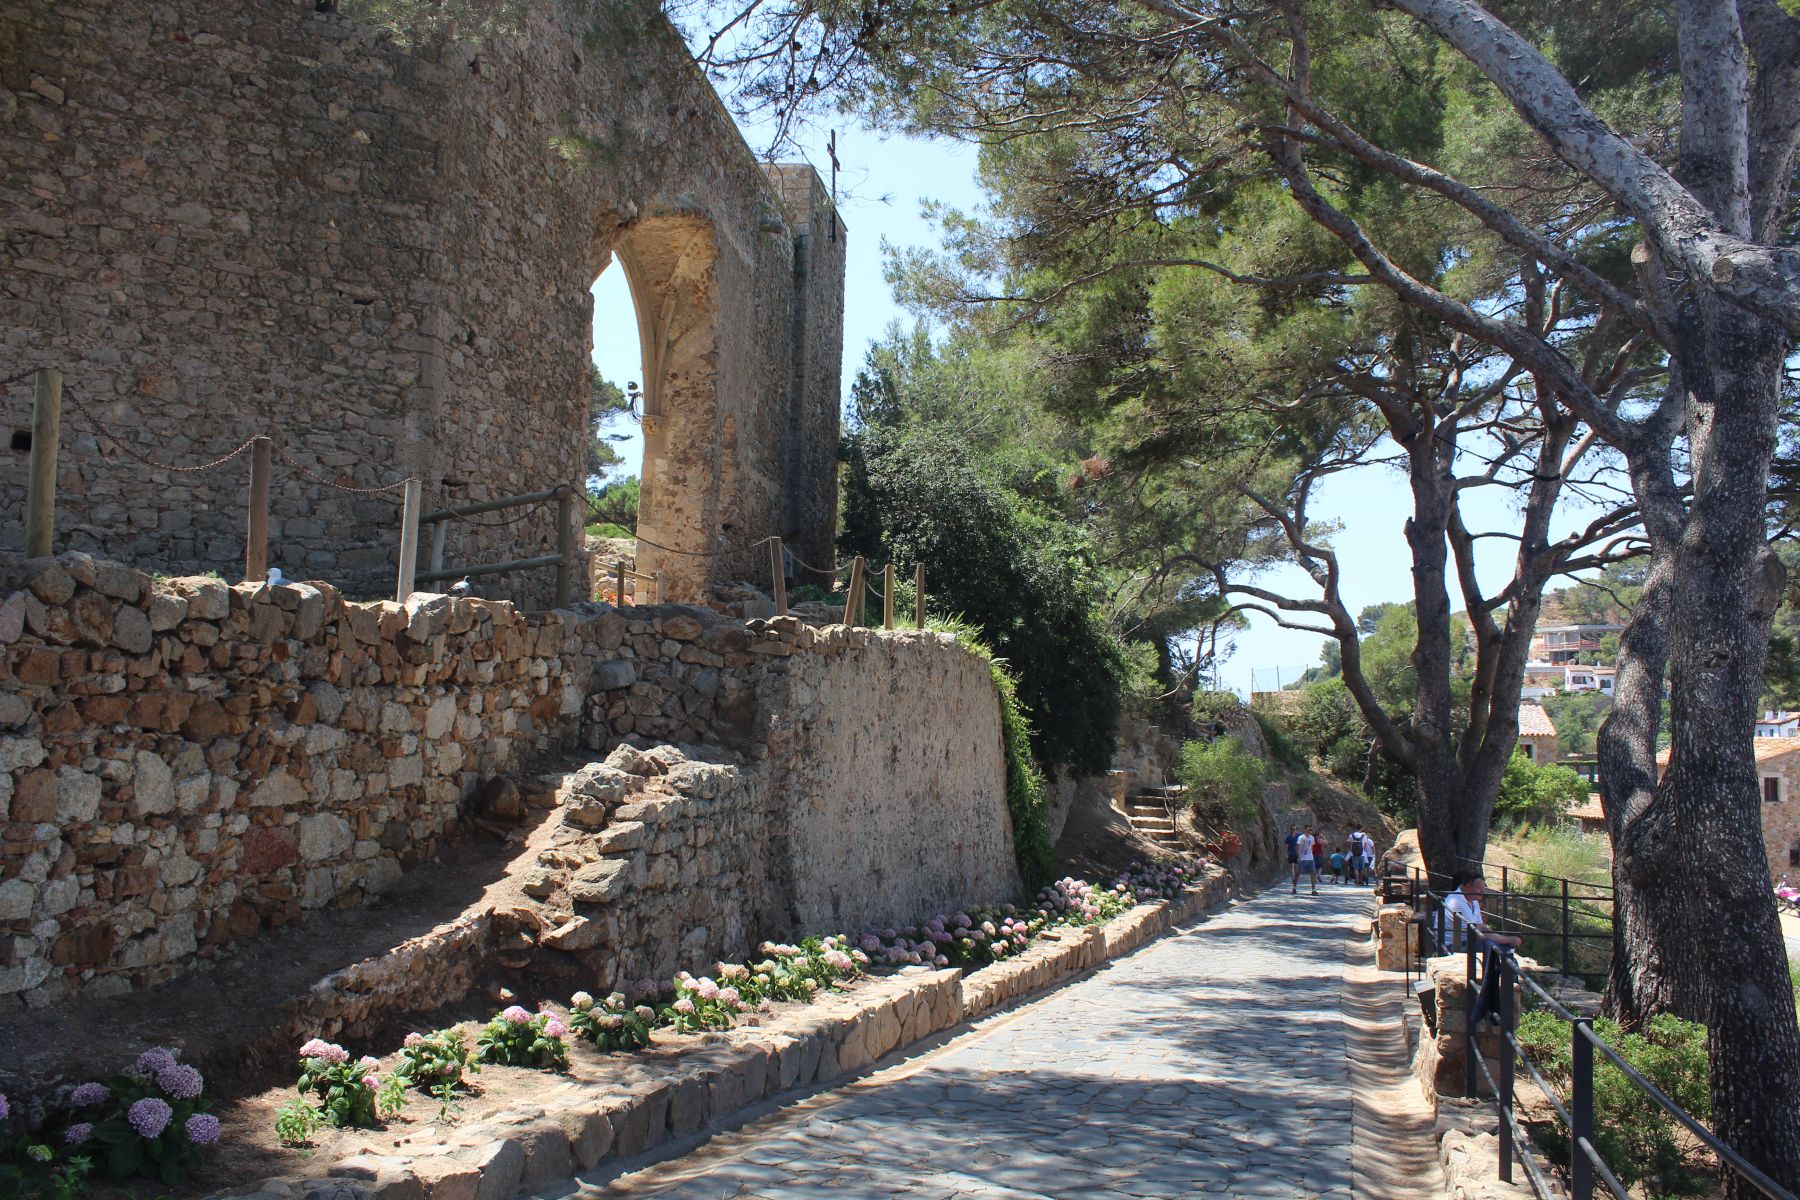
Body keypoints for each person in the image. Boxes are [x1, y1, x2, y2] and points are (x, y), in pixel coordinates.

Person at [1439, 870, 1522, 953]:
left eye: (1483, 889)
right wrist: (1509, 940)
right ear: (1468, 886)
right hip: (1453, 945)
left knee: (1501, 946)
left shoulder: (1473, 900)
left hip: (1466, 940)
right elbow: (1478, 935)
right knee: (1496, 948)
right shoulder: (1457, 902)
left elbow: (1481, 927)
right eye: (1479, 889)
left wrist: (1503, 939)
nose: (1483, 892)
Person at [1294, 826, 1320, 895]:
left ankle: (1313, 889)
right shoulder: (1301, 837)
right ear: (1305, 829)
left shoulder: (1312, 837)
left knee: (1313, 873)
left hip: (1310, 858)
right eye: (1309, 829)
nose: (1310, 831)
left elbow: (1312, 847)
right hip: (1302, 858)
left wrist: (1311, 855)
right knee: (1298, 873)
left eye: (1311, 830)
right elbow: (1298, 848)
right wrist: (1299, 857)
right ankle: (1294, 887)